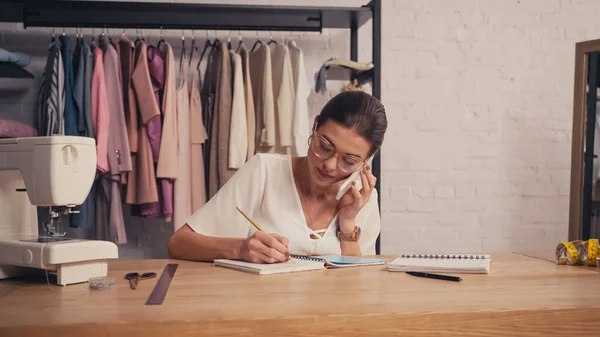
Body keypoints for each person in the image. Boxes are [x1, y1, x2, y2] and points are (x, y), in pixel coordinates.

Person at [168, 90, 387, 263]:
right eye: (325, 146)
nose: (329, 165)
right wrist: (240, 248)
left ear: (365, 163)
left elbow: (357, 284)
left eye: (348, 161)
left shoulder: (362, 199)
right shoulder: (264, 171)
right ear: (315, 126)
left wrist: (347, 223)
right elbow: (178, 243)